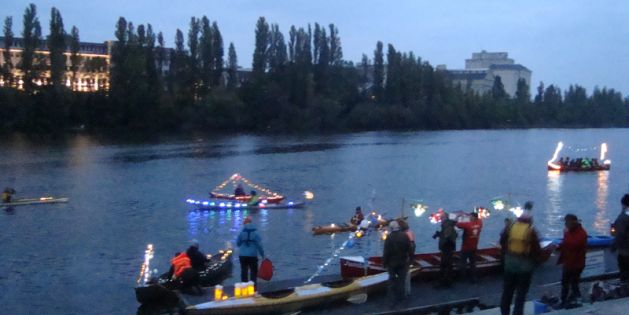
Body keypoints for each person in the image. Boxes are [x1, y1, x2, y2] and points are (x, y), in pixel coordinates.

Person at [500, 201, 542, 315]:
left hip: (509, 265)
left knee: (507, 292)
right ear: (530, 220)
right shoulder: (531, 230)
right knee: (521, 294)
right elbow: (537, 250)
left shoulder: (511, 227)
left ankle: (504, 313)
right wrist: (536, 261)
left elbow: (502, 241)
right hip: (524, 268)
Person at [557, 214, 587, 307]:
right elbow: (566, 244)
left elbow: (573, 244)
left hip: (575, 263)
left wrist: (565, 234)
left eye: (566, 222)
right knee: (568, 283)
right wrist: (558, 247)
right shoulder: (573, 232)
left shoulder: (581, 233)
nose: (565, 224)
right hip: (569, 262)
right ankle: (567, 300)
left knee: (572, 283)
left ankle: (572, 300)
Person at [382, 220, 412, 306]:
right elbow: (409, 249)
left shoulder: (389, 237)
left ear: (391, 228)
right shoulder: (405, 236)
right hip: (402, 262)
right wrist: (410, 259)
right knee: (401, 281)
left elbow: (386, 252)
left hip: (392, 264)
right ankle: (401, 299)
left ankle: (392, 300)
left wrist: (384, 263)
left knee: (392, 281)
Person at [456, 212, 483, 282]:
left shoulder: (468, 225)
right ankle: (473, 278)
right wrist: (467, 215)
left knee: (463, 263)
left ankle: (462, 278)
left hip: (465, 247)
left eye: (470, 217)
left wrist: (458, 217)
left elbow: (457, 224)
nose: (469, 218)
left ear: (473, 217)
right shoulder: (480, 223)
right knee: (473, 263)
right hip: (474, 247)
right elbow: (479, 219)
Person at [237, 216, 265, 285]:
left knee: (244, 271)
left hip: (242, 255)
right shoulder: (256, 233)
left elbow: (238, 244)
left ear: (244, 223)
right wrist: (263, 255)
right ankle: (253, 288)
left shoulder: (241, 233)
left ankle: (244, 287)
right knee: (253, 272)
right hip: (252, 255)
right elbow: (259, 246)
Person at [432, 213, 458, 288]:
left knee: (445, 265)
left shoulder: (447, 225)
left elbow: (447, 236)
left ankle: (445, 282)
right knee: (448, 265)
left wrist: (441, 236)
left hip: (447, 247)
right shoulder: (448, 225)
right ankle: (447, 281)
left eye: (442, 217)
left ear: (446, 218)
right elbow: (452, 235)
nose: (441, 219)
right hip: (449, 247)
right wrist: (440, 234)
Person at [612, 194, 629, 282]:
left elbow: (620, 234)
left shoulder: (623, 217)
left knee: (624, 273)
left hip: (625, 252)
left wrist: (614, 245)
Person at [398, 219, 415, 296]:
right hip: (406, 257)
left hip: (404, 257)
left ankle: (404, 292)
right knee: (406, 275)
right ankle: (406, 291)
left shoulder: (406, 234)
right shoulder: (408, 233)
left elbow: (411, 246)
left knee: (404, 275)